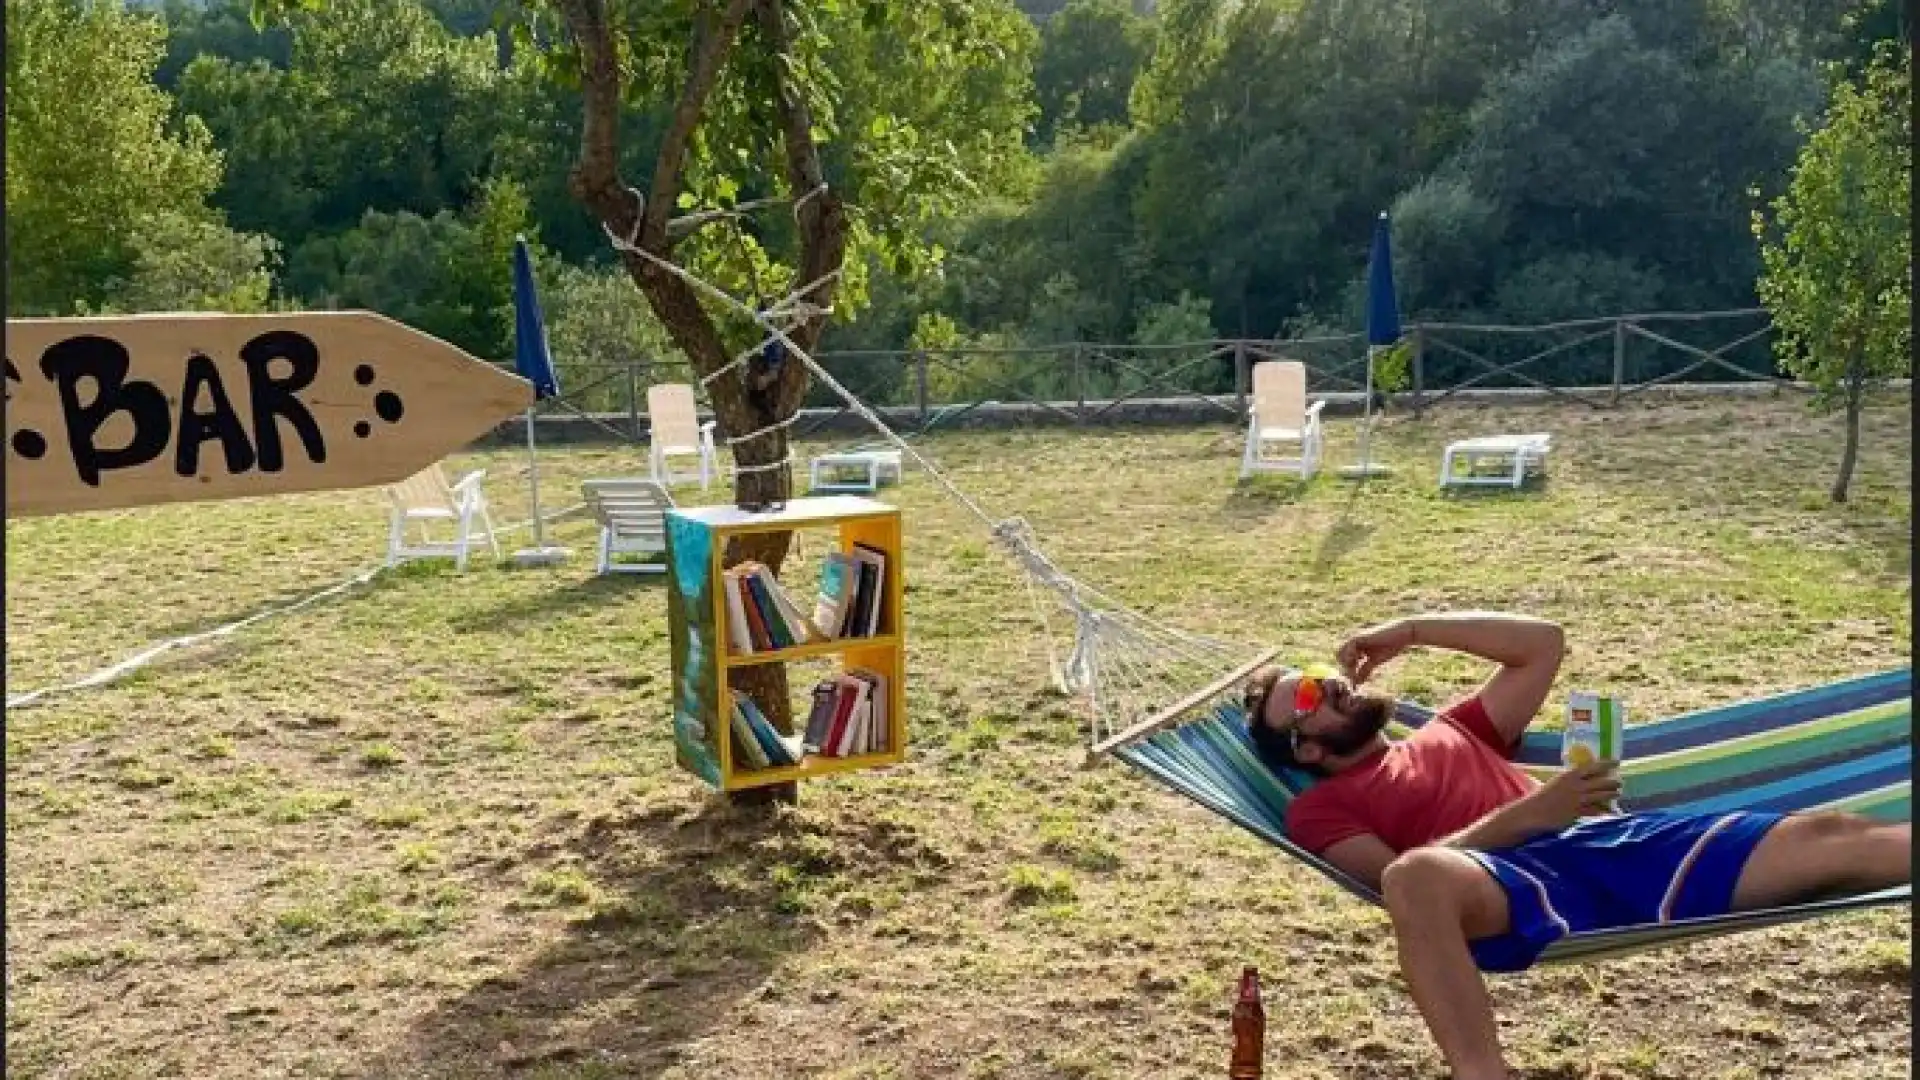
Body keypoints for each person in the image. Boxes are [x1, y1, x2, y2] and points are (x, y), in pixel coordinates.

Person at [1239, 610, 1911, 1080]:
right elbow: (1401, 889)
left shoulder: (1453, 731)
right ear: (1308, 748)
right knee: (1417, 875)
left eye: (1316, 671)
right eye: (1305, 694)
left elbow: (1542, 644)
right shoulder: (1321, 810)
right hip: (1501, 883)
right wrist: (1530, 816)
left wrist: (1411, 630)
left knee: (1833, 834)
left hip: (1607, 841)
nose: (1326, 680)